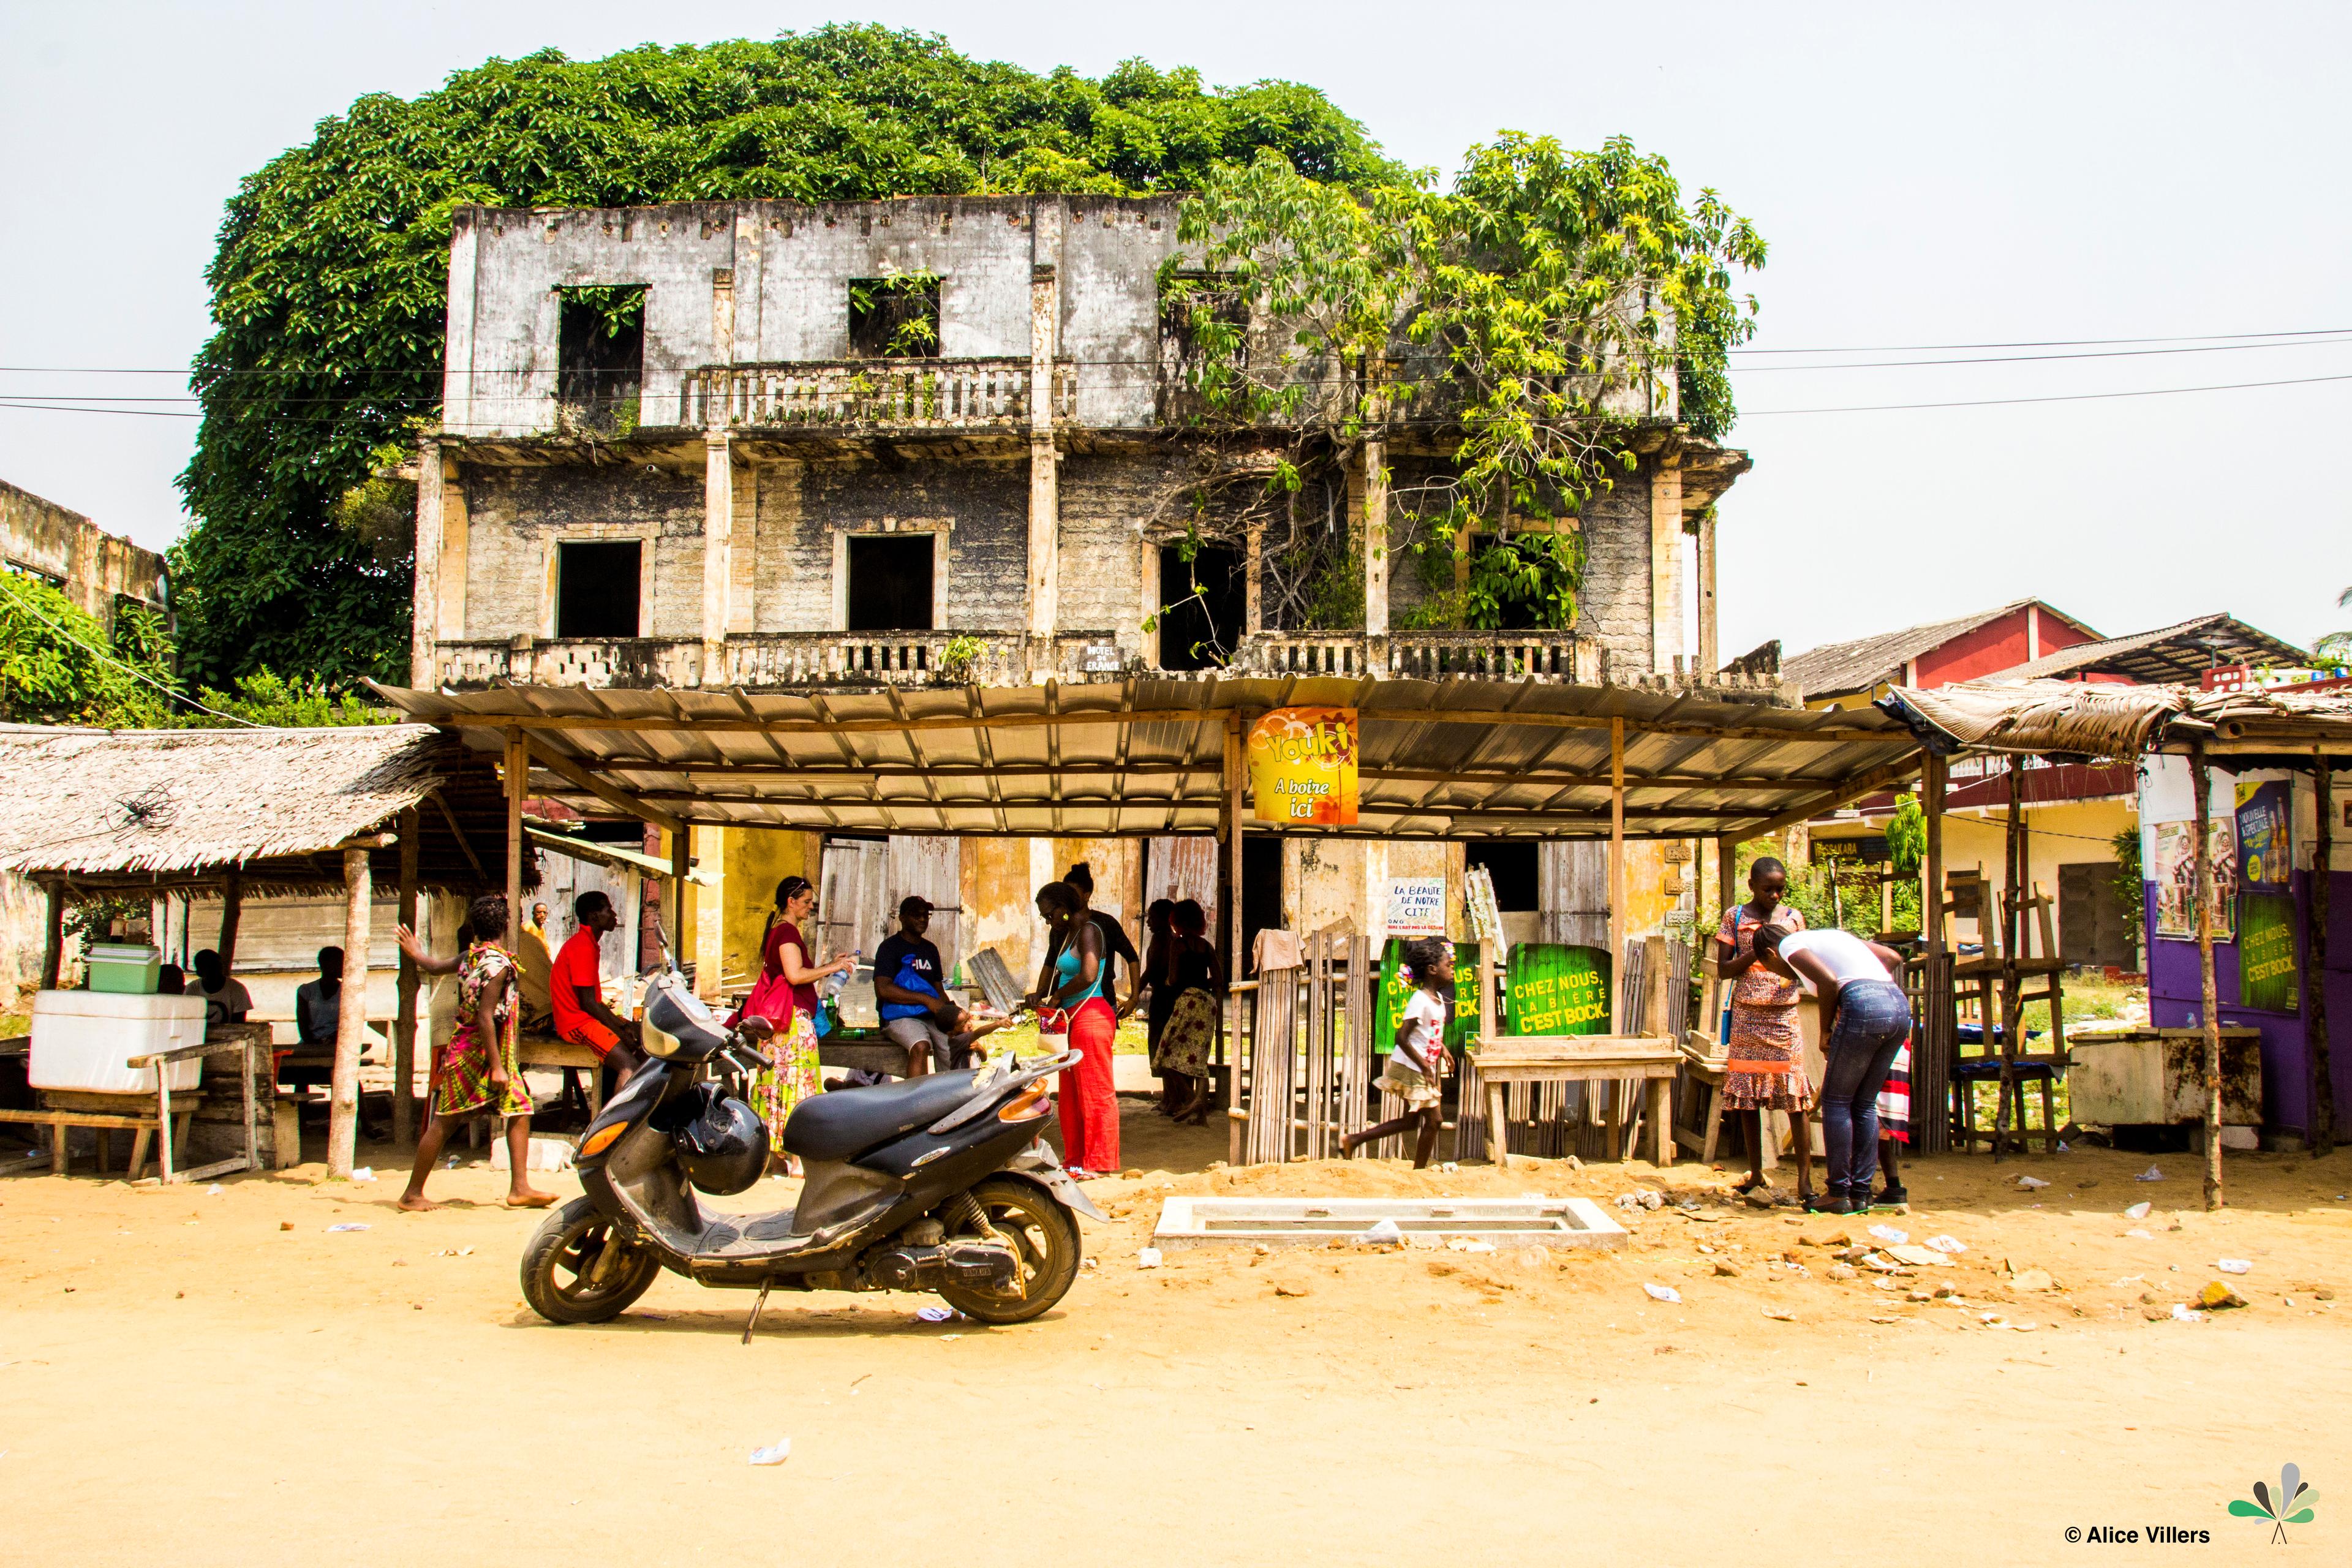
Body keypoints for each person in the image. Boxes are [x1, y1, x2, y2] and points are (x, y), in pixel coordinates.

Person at [394, 895, 556, 1212]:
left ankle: (520, 1187)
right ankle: (412, 1193)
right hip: (476, 1055)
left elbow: (434, 967)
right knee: (445, 1122)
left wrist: (415, 952)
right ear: (507, 927)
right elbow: (486, 1016)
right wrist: (497, 1067)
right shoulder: (497, 966)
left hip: (477, 1050)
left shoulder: (472, 957)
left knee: (520, 1109)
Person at [1754, 923, 1912, 1216]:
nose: (1783, 976)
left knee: (1837, 1101)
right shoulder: (1834, 937)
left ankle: (1839, 1192)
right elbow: (1891, 958)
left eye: (1771, 968)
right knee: (1864, 1103)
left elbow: (1827, 981)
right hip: (1898, 1005)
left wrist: (1825, 1031)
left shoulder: (1789, 945)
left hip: (1863, 1006)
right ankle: (1861, 1194)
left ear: (1770, 954)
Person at [1713, 858, 1814, 1204]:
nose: (1775, 894)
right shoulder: (1735, 917)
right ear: (1752, 886)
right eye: (1768, 888)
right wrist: (1754, 952)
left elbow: (1803, 964)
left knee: (1795, 1098)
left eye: (1780, 888)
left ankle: (1805, 1179)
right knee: (1746, 1098)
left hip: (1784, 1015)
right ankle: (1756, 1172)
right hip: (1747, 1017)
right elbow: (1724, 970)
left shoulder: (1793, 919)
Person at [747, 876, 854, 1174]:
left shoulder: (779, 931)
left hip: (782, 1023)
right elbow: (795, 976)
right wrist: (832, 968)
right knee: (797, 1085)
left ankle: (784, 1155)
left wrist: (827, 964)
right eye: (806, 902)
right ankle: (797, 1160)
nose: (810, 908)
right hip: (791, 1022)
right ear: (791, 902)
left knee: (782, 1085)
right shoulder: (787, 933)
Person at [1027, 881, 1118, 1179]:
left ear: (1064, 910)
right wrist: (1044, 995)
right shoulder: (1069, 934)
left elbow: (1089, 974)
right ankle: (1077, 1160)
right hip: (1074, 1018)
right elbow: (1057, 971)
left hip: (1092, 1015)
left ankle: (1099, 1162)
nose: (1047, 921)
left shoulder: (1091, 930)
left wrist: (1058, 995)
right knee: (1071, 1096)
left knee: (1095, 1092)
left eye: (1048, 914)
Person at [1340, 937, 1453, 1169]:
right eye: (1448, 966)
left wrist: (1444, 1050)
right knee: (1435, 1120)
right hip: (1413, 1067)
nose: (1452, 970)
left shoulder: (1438, 999)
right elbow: (1401, 1037)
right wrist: (1423, 1066)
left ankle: (1353, 1140)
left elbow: (1429, 1031)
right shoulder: (1419, 1000)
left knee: (1410, 1122)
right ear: (1432, 970)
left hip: (1421, 1066)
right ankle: (1419, 1171)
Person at [875, 896, 1006, 1075]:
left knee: (954, 1043)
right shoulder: (889, 948)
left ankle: (954, 1095)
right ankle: (917, 1100)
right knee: (921, 1046)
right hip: (899, 1016)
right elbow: (883, 989)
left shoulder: (930, 949)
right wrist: (926, 1000)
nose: (922, 919)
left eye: (926, 915)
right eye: (916, 915)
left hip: (930, 1017)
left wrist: (955, 1014)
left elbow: (938, 990)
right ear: (902, 918)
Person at [549, 892, 644, 1086]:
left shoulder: (588, 944)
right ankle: (616, 1117)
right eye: (608, 910)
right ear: (594, 916)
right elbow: (588, 1003)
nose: (614, 914)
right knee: (631, 1066)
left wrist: (622, 1025)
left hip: (583, 1018)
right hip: (576, 1023)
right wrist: (622, 1031)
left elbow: (593, 1002)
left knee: (637, 1041)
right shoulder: (582, 946)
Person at [1148, 900, 1224, 1125]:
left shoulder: (1178, 945)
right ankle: (1199, 1110)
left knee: (1166, 1055)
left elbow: (1173, 978)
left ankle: (1192, 1100)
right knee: (1199, 1059)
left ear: (1176, 922)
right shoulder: (1207, 946)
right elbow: (1219, 980)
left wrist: (1170, 982)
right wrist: (1203, 984)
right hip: (1207, 1004)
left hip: (1187, 1002)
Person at [1036, 862, 1140, 1019]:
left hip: (1097, 1004)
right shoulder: (1060, 929)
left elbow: (1131, 958)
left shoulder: (1099, 925)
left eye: (1072, 892)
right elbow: (1050, 964)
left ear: (1087, 895)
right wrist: (1039, 995)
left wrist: (1134, 998)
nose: (1067, 896)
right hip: (1070, 1007)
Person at [1132, 900, 1179, 1113]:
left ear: (1165, 918)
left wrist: (1134, 996)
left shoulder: (1162, 939)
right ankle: (1169, 1098)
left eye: (1152, 917)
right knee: (1166, 1047)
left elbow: (1150, 971)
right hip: (1167, 997)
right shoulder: (1167, 937)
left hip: (1164, 998)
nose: (1148, 921)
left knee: (1162, 1047)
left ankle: (1172, 1099)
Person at [1875, 1036, 1912, 1207]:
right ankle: (1894, 1187)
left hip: (1877, 1042)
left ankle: (1860, 1190)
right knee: (1881, 1131)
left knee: (1866, 1120)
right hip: (1897, 1045)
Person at [190, 949, 252, 1030]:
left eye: (217, 967)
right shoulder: (192, 989)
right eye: (210, 969)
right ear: (199, 973)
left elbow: (238, 1026)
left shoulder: (237, 989)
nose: (215, 972)